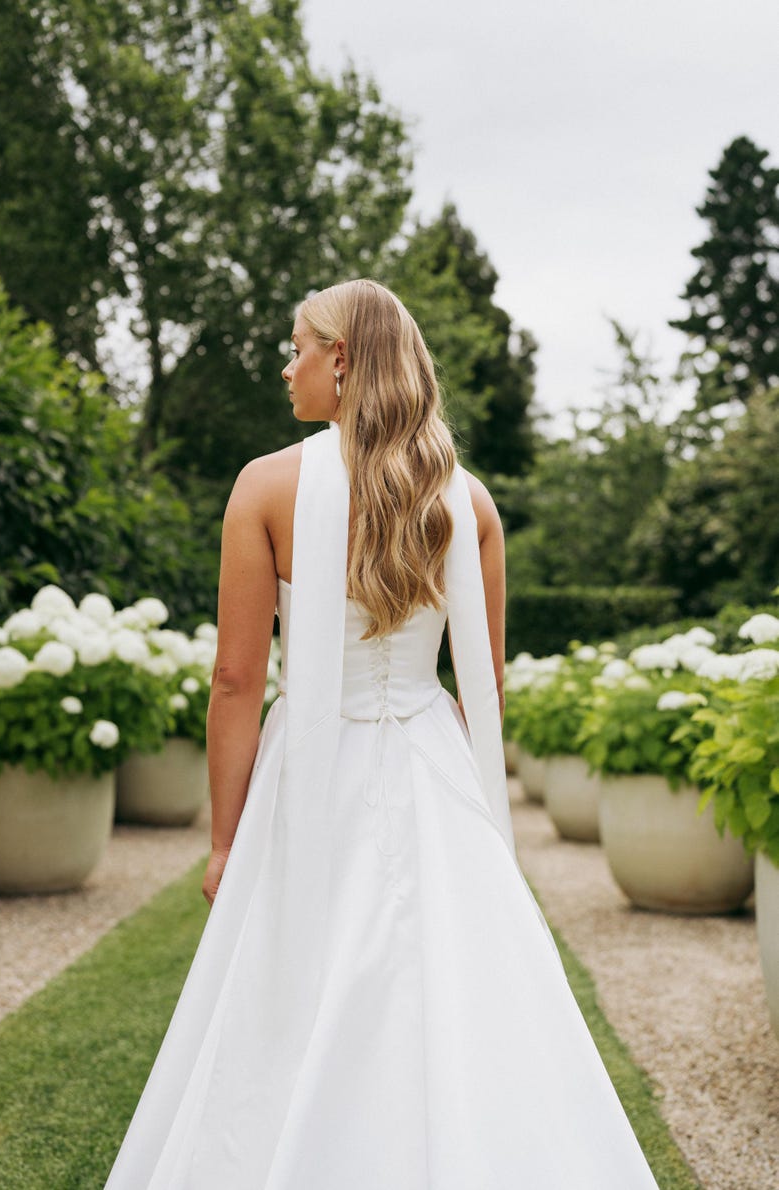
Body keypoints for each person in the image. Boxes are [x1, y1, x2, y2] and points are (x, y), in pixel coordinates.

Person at [105, 279, 659, 1188]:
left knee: (284, 989)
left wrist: (222, 840)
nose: (286, 367)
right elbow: (483, 687)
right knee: (461, 991)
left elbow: (237, 680)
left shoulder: (266, 487)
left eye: (297, 347)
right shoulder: (468, 503)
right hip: (432, 760)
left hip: (307, 777)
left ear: (344, 360)